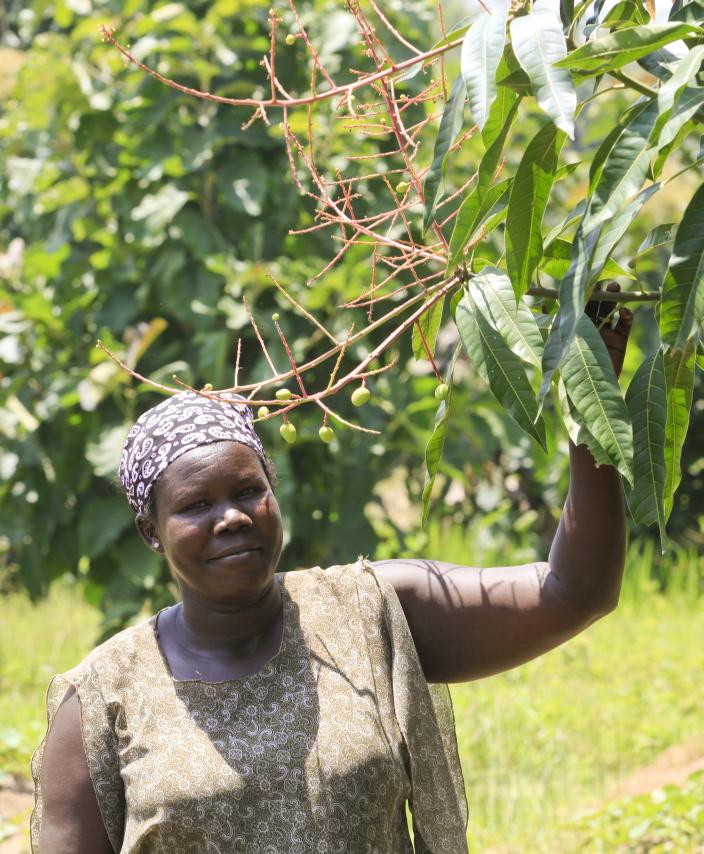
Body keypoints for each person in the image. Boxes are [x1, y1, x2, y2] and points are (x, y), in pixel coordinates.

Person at [30, 299, 632, 854]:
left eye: (248, 491)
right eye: (196, 506)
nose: (233, 517)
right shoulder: (104, 699)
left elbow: (573, 591)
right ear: (150, 531)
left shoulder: (370, 612)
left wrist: (590, 389)